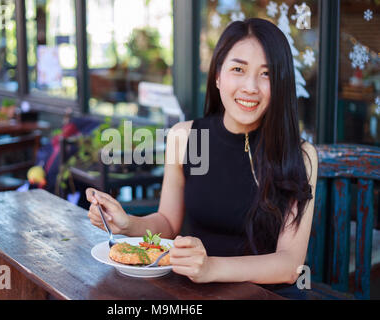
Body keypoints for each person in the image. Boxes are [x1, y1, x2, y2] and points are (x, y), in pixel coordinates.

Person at [85, 18, 318, 298]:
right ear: (218, 75)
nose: (250, 87)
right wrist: (128, 224)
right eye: (238, 69)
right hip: (196, 293)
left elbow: (289, 264)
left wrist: (210, 268)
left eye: (266, 74)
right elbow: (168, 224)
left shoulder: (300, 155)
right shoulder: (185, 138)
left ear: (280, 83)